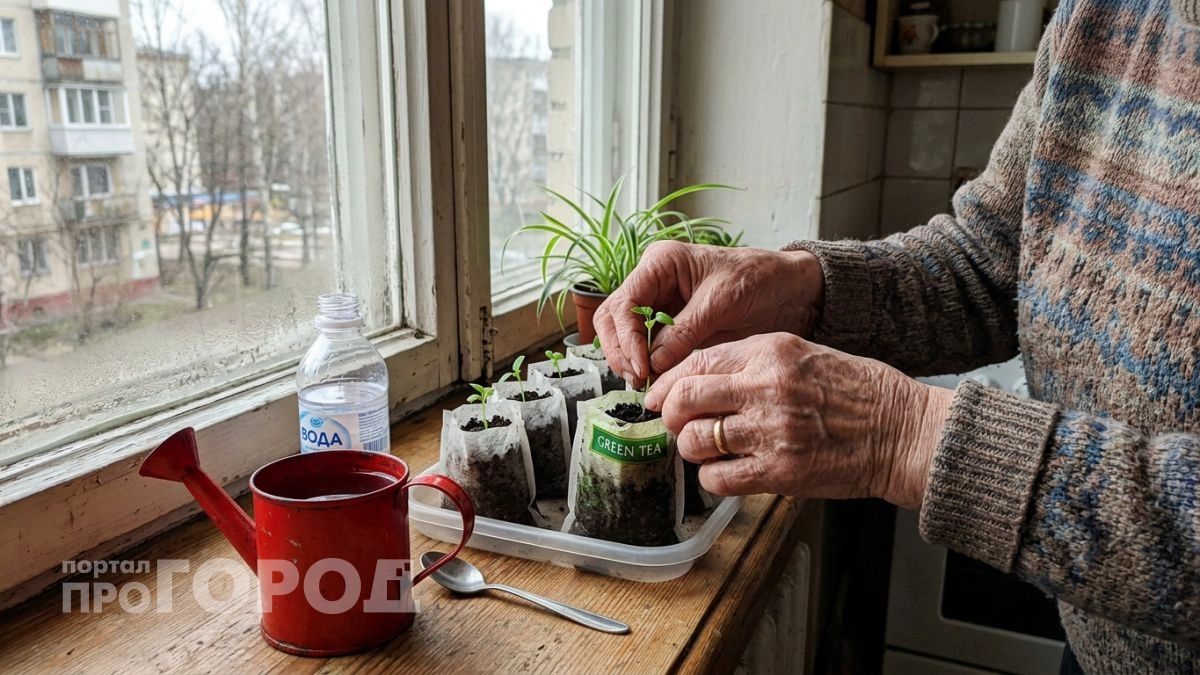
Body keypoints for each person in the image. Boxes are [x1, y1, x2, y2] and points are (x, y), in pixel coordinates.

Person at [594, 0, 1200, 672]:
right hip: (1098, 640)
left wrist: (901, 437)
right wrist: (802, 287)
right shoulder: (1102, 16)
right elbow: (989, 258)